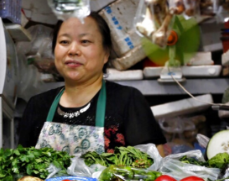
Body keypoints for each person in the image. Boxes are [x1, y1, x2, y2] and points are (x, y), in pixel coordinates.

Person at [19, 12, 166, 155]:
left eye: (85, 41)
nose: (73, 50)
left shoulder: (127, 100)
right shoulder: (37, 106)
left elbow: (153, 167)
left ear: (106, 53)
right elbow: (24, 174)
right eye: (64, 42)